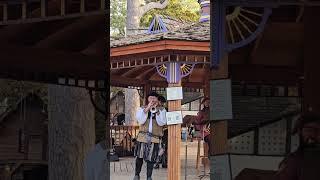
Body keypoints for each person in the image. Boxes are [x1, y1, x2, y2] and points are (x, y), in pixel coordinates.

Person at [275, 112, 320, 180]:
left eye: (318, 130)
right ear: (300, 131)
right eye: (309, 130)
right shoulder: (292, 160)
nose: (314, 134)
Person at [133, 92, 167, 180]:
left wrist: (157, 111)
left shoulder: (162, 110)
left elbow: (162, 122)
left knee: (151, 159)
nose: (152, 100)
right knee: (139, 157)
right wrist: (147, 108)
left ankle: (149, 177)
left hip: (155, 138)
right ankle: (137, 175)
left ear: (157, 99)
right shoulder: (142, 108)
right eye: (150, 98)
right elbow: (140, 120)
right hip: (142, 136)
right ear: (148, 99)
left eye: (154, 98)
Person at [154, 95, 168, 169]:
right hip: (156, 131)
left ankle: (161, 162)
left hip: (163, 131)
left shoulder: (164, 109)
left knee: (163, 147)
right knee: (159, 147)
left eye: (162, 103)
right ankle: (159, 162)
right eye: (161, 102)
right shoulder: (152, 108)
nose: (162, 104)